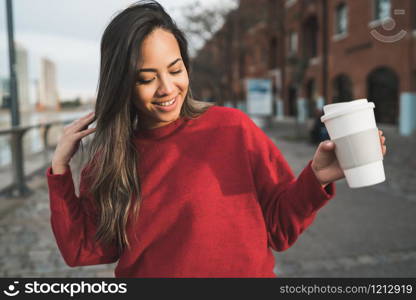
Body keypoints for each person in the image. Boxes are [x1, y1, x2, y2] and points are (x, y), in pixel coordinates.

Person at [46, 0, 387, 278]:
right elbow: (82, 249)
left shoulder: (233, 128)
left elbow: (279, 230)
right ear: (122, 84)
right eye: (146, 78)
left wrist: (316, 178)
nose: (166, 88)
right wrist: (60, 169)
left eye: (175, 70)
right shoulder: (112, 158)